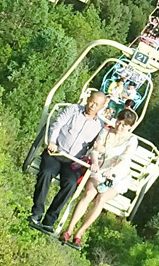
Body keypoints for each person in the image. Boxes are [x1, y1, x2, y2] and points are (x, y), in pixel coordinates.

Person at [61, 108, 138, 248]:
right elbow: (96, 150)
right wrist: (95, 162)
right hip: (100, 170)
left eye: (124, 125)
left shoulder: (131, 140)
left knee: (101, 199)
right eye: (119, 123)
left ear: (130, 127)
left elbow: (124, 158)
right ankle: (69, 229)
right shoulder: (106, 132)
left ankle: (79, 233)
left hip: (117, 175)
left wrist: (112, 168)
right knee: (89, 194)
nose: (120, 127)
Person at [30, 89, 104, 233]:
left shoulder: (99, 126)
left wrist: (96, 156)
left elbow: (96, 147)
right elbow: (57, 124)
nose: (92, 106)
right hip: (56, 152)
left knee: (70, 184)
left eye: (96, 105)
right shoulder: (73, 110)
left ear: (101, 108)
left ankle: (50, 220)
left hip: (73, 161)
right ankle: (37, 212)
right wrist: (52, 141)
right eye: (91, 102)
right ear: (88, 99)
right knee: (46, 172)